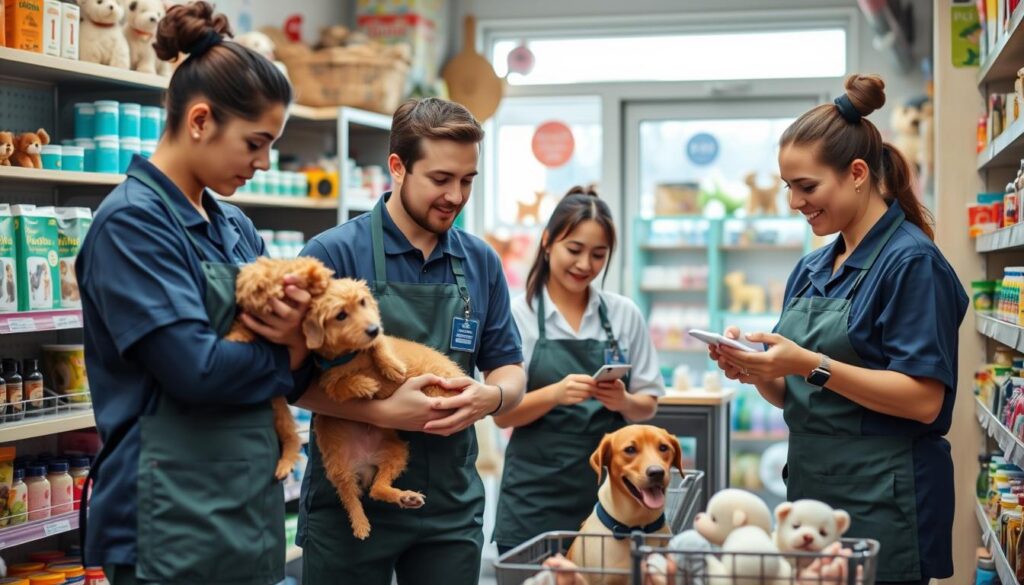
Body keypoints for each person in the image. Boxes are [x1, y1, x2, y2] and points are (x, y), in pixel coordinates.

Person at [76, 4, 313, 584]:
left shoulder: (234, 227)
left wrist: (301, 345)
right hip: (167, 521)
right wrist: (293, 350)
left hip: (245, 510)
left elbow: (302, 348)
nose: (262, 164)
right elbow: (196, 371)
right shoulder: (131, 225)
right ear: (201, 120)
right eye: (255, 143)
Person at [711, 74, 967, 585]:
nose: (794, 202)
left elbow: (923, 400)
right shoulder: (811, 269)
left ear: (855, 173)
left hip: (884, 502)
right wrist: (757, 369)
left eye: (806, 187)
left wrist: (807, 362)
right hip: (812, 499)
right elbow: (796, 396)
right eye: (788, 187)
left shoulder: (911, 264)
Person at [295, 97, 527, 585]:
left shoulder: (479, 262)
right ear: (397, 167)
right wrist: (382, 412)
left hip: (448, 503)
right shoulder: (333, 252)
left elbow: (508, 365)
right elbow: (290, 380)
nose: (455, 196)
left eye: (467, 181)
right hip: (351, 500)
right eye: (440, 180)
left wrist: (494, 396)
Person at [492, 186, 665, 554]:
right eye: (574, 250)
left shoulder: (623, 314)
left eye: (598, 255)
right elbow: (503, 416)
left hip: (613, 500)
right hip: (534, 499)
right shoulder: (516, 316)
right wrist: (555, 394)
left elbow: (648, 404)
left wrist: (623, 401)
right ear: (547, 242)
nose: (585, 265)